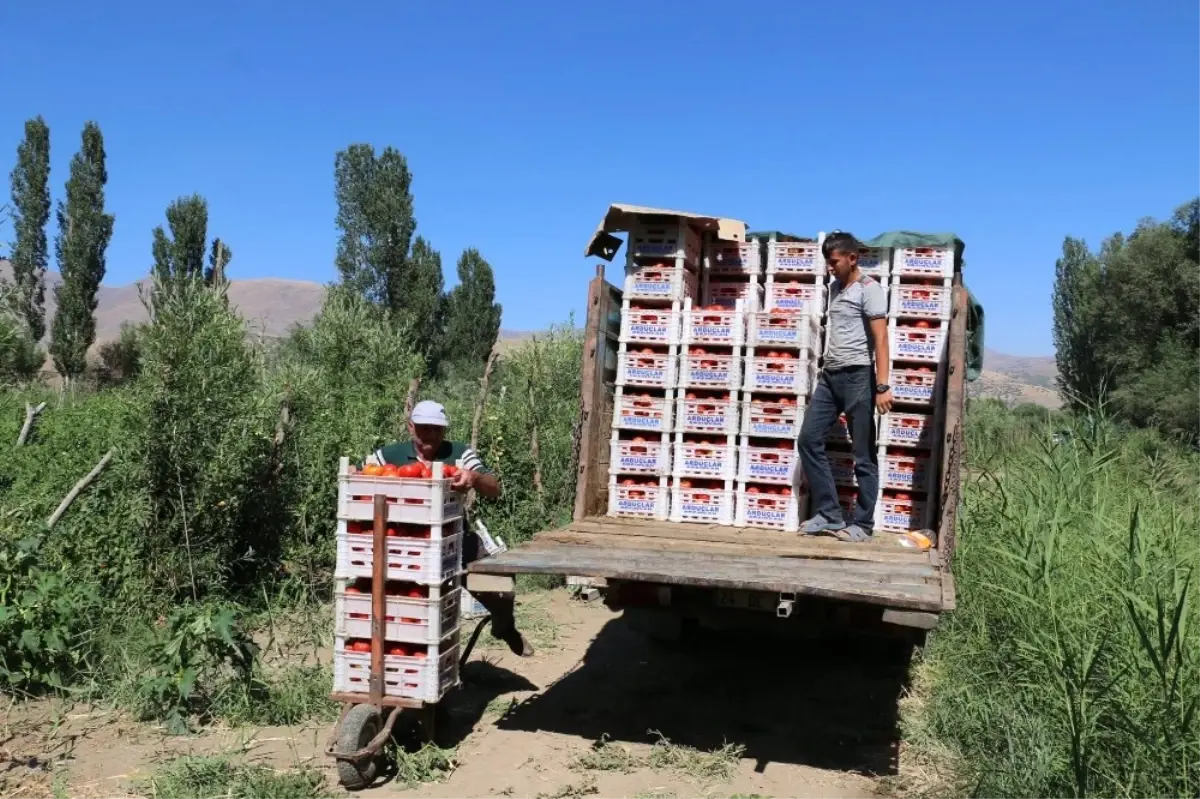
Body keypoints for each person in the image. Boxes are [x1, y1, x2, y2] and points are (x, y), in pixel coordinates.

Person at [363, 399, 533, 656]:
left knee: (502, 588)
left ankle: (504, 627)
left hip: (455, 538)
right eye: (424, 428)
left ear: (445, 430)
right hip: (405, 543)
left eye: (437, 429)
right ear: (411, 427)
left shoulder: (459, 453)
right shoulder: (388, 456)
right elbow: (363, 480)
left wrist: (473, 478)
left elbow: (495, 488)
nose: (430, 435)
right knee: (420, 610)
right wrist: (358, 472)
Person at [795, 231, 893, 543]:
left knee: (863, 455)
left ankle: (863, 525)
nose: (830, 267)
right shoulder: (835, 288)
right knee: (809, 440)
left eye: (834, 261)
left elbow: (881, 339)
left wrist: (882, 385)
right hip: (831, 376)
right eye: (828, 261)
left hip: (858, 378)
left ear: (853, 258)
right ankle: (830, 513)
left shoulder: (869, 289)